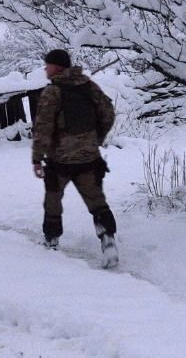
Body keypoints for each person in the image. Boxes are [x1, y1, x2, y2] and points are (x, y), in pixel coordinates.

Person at [31, 49, 119, 268]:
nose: (45, 69)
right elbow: (108, 113)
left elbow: (43, 127)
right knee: (96, 200)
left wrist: (37, 158)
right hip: (89, 158)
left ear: (56, 67)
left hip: (59, 160)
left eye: (47, 65)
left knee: (53, 199)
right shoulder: (88, 86)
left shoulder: (52, 92)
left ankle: (51, 240)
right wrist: (95, 139)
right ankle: (108, 240)